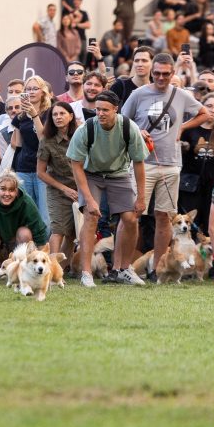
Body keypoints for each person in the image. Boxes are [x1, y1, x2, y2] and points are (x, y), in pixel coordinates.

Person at [121, 53, 207, 266]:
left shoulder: (181, 95)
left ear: (173, 73)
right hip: (143, 164)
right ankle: (122, 266)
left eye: (165, 74)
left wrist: (182, 127)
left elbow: (205, 114)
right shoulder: (138, 94)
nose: (161, 78)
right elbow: (122, 121)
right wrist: (137, 131)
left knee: (164, 217)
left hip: (171, 164)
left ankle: (159, 267)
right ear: (152, 72)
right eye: (157, 73)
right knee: (132, 216)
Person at [68, 91, 148, 287]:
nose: (100, 114)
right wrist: (89, 199)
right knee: (91, 216)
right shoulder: (86, 129)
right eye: (97, 110)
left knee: (130, 219)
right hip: (91, 173)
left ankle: (124, 269)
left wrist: (141, 197)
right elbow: (76, 164)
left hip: (118, 173)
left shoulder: (129, 127)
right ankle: (86, 273)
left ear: (115, 109)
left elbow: (138, 163)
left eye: (105, 110)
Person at [179, 93, 214, 233]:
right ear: (201, 107)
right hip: (190, 185)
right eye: (209, 106)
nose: (212, 110)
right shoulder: (189, 128)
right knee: (189, 226)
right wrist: (183, 145)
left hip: (213, 186)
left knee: (210, 226)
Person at [36, 101, 78, 255]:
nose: (58, 117)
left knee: (73, 232)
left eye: (62, 113)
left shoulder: (80, 136)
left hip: (82, 189)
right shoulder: (47, 140)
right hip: (58, 190)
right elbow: (40, 172)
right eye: (55, 114)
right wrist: (64, 189)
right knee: (58, 229)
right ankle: (53, 269)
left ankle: (64, 268)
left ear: (71, 116)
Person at [9, 76, 51, 226]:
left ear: (43, 92)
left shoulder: (49, 113)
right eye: (28, 89)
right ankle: (29, 248)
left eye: (35, 88)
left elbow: (43, 140)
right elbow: (17, 144)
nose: (31, 92)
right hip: (23, 168)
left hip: (44, 169)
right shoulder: (20, 116)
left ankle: (43, 248)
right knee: (26, 213)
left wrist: (34, 115)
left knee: (45, 214)